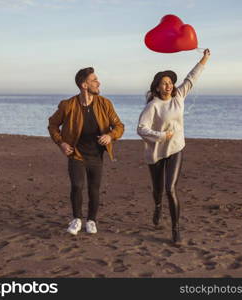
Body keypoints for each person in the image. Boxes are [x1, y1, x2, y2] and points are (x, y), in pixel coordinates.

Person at [137, 49, 210, 245]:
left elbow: (192, 78)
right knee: (158, 189)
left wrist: (204, 58)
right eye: (164, 83)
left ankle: (175, 230)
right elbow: (141, 128)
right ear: (158, 87)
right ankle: (158, 206)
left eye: (170, 82)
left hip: (176, 148)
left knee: (170, 188)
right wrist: (161, 135)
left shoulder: (179, 97)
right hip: (156, 153)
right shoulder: (153, 106)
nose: (168, 86)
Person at [48, 67, 124, 236]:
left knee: (94, 188)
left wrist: (110, 136)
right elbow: (53, 124)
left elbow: (119, 126)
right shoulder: (68, 105)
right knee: (77, 185)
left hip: (96, 155)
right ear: (84, 85)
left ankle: (91, 220)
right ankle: (76, 219)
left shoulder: (105, 104)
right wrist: (61, 143)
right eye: (94, 80)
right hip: (76, 153)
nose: (98, 82)